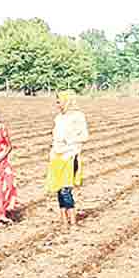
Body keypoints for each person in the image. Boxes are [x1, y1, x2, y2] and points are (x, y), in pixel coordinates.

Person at [45, 91, 89, 228]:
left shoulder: (78, 116)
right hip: (57, 155)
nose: (57, 105)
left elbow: (84, 136)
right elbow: (55, 137)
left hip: (69, 155)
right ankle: (64, 221)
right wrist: (52, 151)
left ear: (67, 101)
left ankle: (73, 222)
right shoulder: (58, 118)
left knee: (66, 189)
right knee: (58, 188)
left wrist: (70, 142)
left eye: (59, 102)